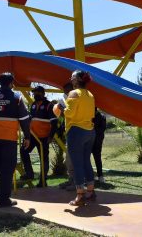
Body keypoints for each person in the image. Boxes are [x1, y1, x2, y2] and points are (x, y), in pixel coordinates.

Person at [0, 72, 30, 207]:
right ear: (11, 83)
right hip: (9, 140)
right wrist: (27, 136)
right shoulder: (17, 98)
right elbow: (24, 119)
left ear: (0, 82)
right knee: (6, 170)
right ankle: (3, 200)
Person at [57, 70, 95, 206]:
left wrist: (61, 106)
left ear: (78, 79)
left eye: (72, 77)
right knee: (86, 162)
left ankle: (80, 195)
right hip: (90, 131)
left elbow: (70, 114)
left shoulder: (73, 94)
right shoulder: (90, 94)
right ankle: (91, 191)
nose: (71, 80)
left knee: (77, 163)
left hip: (76, 131)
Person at [20, 86, 58, 187]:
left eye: (37, 92)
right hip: (32, 136)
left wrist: (50, 136)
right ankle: (29, 173)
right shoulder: (32, 105)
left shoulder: (49, 105)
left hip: (44, 137)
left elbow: (54, 122)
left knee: (43, 159)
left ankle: (43, 181)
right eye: (34, 93)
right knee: (23, 150)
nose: (35, 94)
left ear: (43, 93)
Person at [57, 82, 76, 191]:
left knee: (72, 160)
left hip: (75, 133)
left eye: (67, 91)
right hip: (70, 132)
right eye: (64, 92)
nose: (65, 93)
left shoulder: (75, 100)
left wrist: (63, 109)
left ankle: (76, 183)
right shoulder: (69, 100)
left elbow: (72, 115)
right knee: (68, 160)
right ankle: (71, 180)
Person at [92, 107, 107, 183]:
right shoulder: (88, 116)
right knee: (86, 159)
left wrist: (93, 129)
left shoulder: (102, 116)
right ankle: (90, 176)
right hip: (89, 141)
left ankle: (100, 176)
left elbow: (102, 129)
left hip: (97, 142)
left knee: (97, 158)